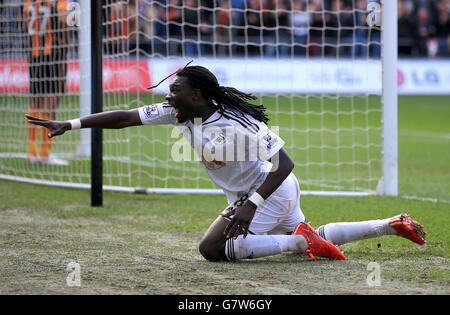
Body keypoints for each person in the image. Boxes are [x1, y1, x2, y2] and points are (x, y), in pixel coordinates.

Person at [26, 64, 426, 262]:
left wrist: (251, 205)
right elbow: (126, 117)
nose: (168, 98)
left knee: (213, 248)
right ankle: (389, 225)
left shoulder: (237, 122)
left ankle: (304, 240)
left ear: (196, 94)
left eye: (175, 92)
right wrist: (73, 123)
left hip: (270, 190)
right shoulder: (179, 111)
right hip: (257, 195)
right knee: (296, 237)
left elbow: (284, 163)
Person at [24, 0, 70, 165]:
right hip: (54, 54)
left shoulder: (30, 1)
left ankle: (31, 152)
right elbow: (64, 20)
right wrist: (67, 43)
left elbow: (25, 25)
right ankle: (45, 154)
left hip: (34, 54)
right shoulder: (58, 1)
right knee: (50, 104)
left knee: (35, 102)